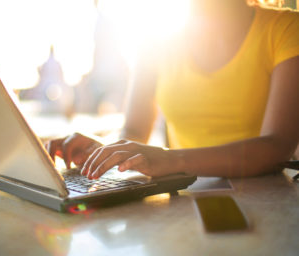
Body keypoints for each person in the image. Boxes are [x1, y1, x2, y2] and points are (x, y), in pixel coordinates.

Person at [46, 0, 299, 180]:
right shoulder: (156, 39)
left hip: (265, 198)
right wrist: (105, 151)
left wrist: (172, 159)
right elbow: (134, 131)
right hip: (184, 195)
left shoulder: (286, 28)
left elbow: (277, 147)